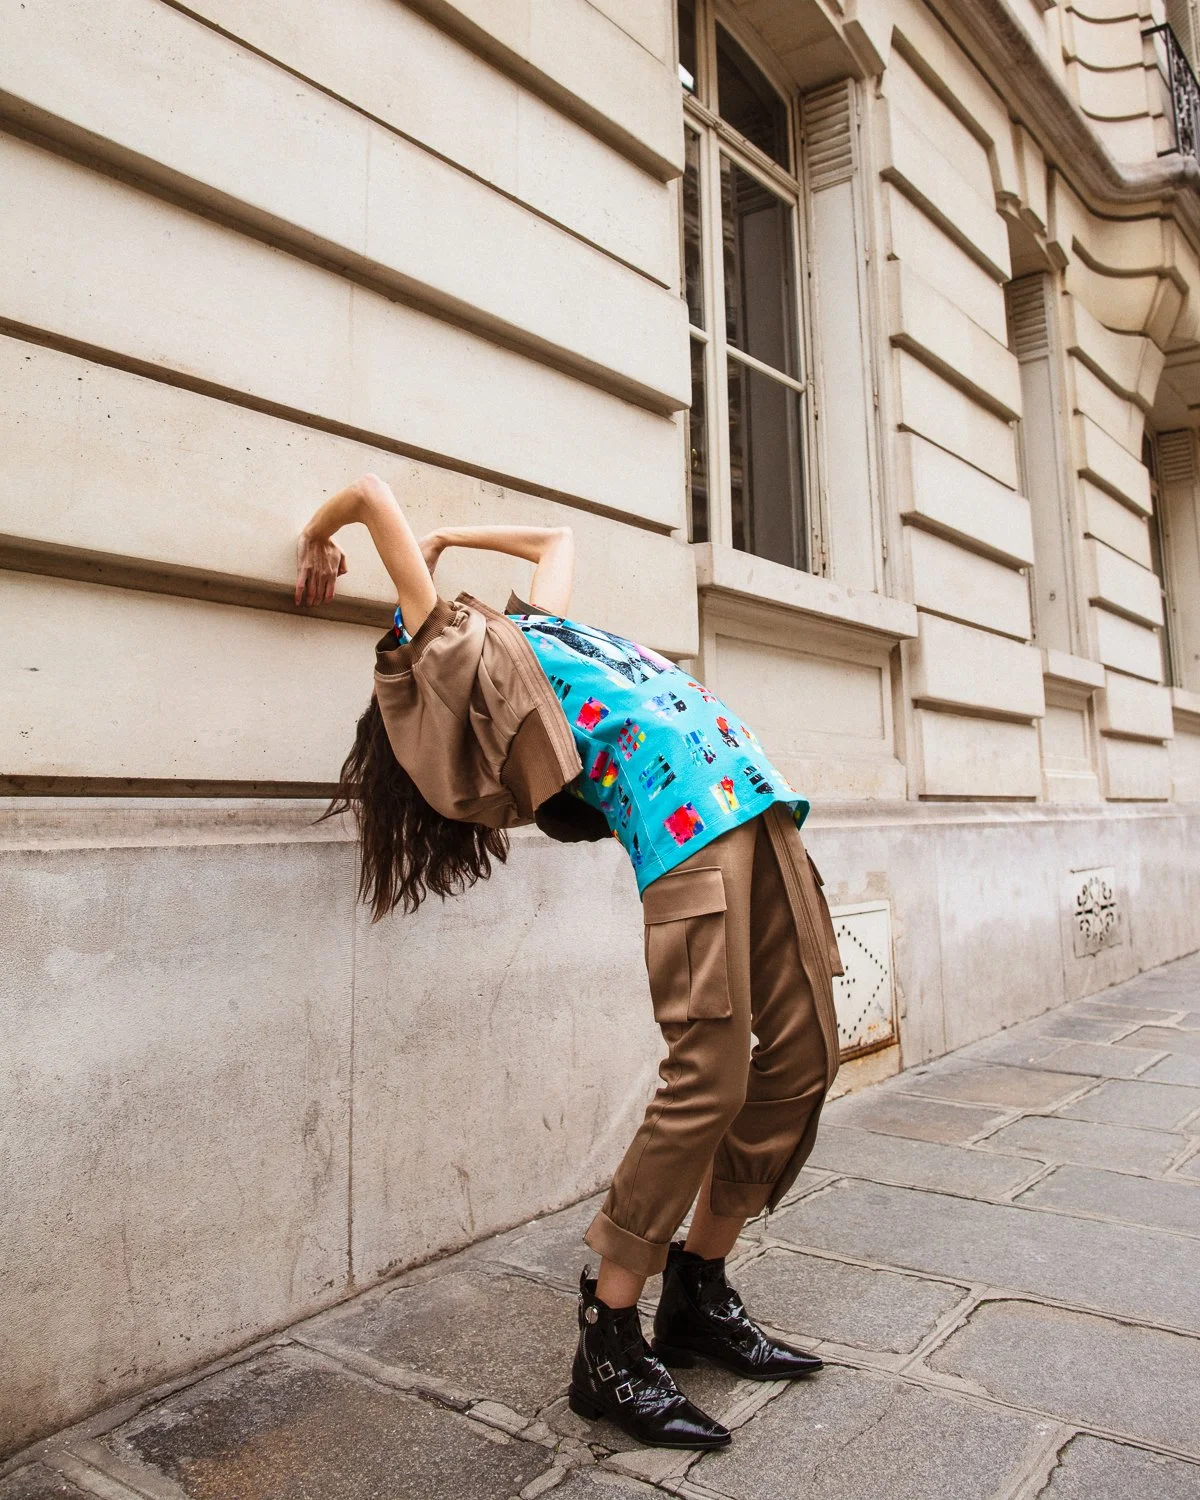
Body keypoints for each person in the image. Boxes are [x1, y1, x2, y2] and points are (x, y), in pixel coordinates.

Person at [295, 473, 845, 1451]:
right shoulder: (462, 662)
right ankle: (607, 1330)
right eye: (429, 618)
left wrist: (457, 533)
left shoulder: (535, 636)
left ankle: (700, 1297)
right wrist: (324, 538)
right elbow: (372, 497)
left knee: (804, 1059)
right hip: (685, 841)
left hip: (758, 804)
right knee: (708, 1075)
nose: (445, 612)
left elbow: (554, 538)